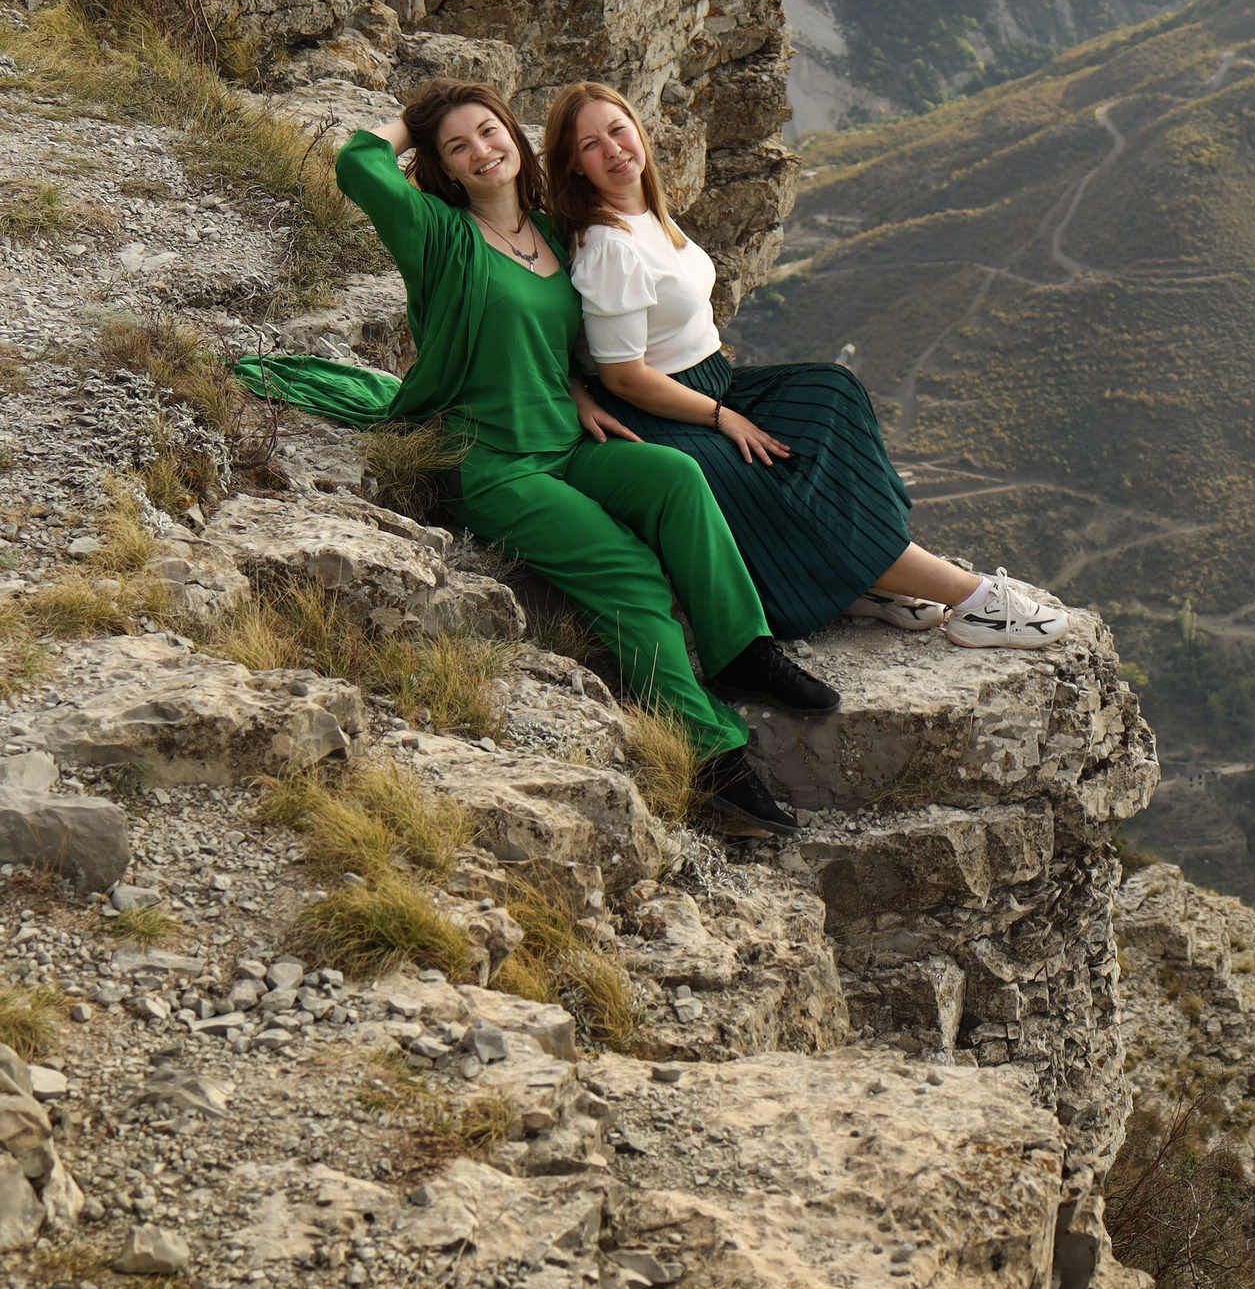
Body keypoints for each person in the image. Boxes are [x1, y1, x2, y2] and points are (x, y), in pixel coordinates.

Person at [235, 79, 832, 838]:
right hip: (493, 463)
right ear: (443, 168)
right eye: (458, 146)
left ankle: (740, 650)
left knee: (677, 478)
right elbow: (357, 162)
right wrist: (415, 121)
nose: (482, 151)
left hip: (565, 440)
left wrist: (582, 386)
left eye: (490, 132)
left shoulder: (553, 231)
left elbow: (575, 340)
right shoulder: (438, 234)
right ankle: (711, 755)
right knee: (629, 569)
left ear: (515, 141)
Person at [536, 81, 1071, 649]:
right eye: (591, 145)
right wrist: (723, 418)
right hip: (657, 410)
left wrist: (722, 405)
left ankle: (862, 582)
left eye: (618, 130)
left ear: (637, 133)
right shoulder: (609, 246)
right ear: (573, 165)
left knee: (829, 394)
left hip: (712, 382)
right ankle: (974, 600)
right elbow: (623, 376)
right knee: (773, 483)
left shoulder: (646, 213)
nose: (614, 149)